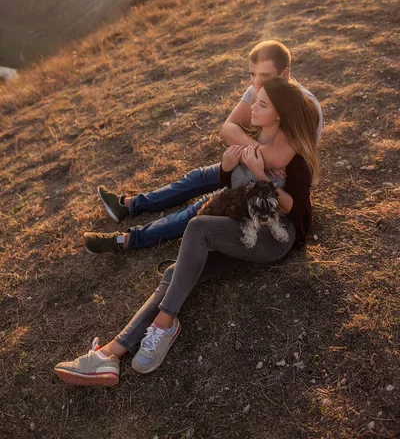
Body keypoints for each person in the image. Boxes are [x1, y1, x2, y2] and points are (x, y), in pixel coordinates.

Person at [54, 77, 319, 386]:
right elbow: (234, 185)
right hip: (239, 228)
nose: (253, 108)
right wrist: (226, 167)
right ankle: (110, 355)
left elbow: (296, 211)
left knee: (197, 227)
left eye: (262, 104)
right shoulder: (256, 142)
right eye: (255, 102)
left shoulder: (294, 156)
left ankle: (164, 324)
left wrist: (263, 178)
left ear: (279, 114)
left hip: (273, 238)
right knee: (173, 275)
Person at [83, 40, 322, 255]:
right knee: (197, 177)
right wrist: (251, 150)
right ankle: (131, 204)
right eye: (252, 75)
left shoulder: (304, 105)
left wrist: (250, 153)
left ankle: (127, 239)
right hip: (250, 166)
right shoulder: (260, 90)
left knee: (201, 207)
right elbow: (227, 129)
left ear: (285, 73)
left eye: (264, 76)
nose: (256, 84)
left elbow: (277, 160)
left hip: (276, 187)